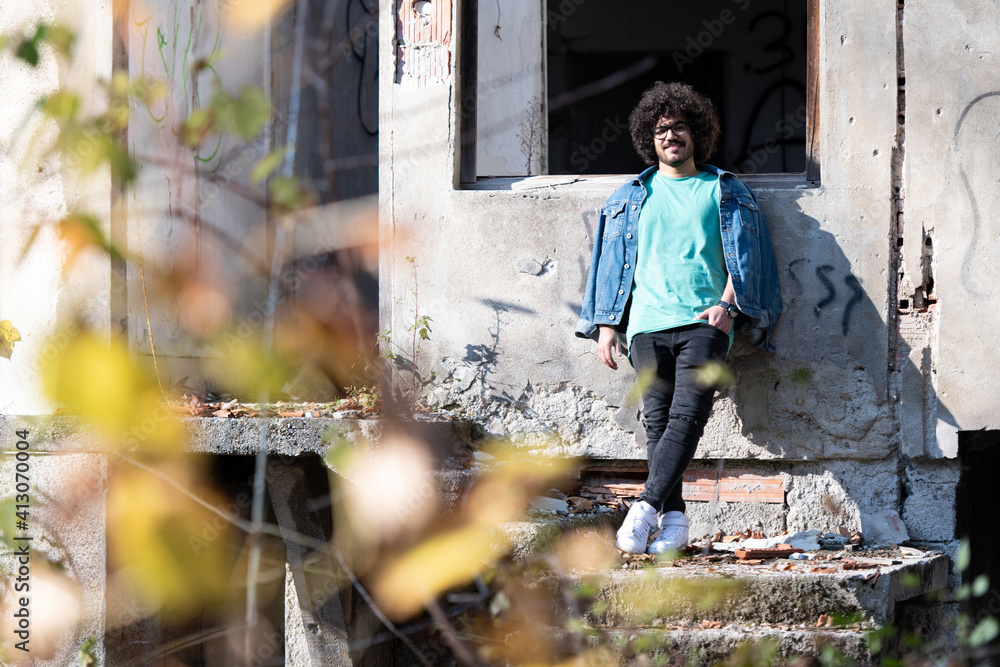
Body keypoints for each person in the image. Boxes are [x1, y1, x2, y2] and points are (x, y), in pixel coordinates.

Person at [575, 82, 782, 554]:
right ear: (650, 139)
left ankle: (643, 507)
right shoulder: (632, 195)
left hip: (705, 322)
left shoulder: (723, 189)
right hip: (646, 325)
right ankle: (675, 523)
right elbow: (612, 263)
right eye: (662, 129)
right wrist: (608, 324)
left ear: (696, 134)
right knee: (659, 423)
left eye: (680, 127)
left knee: (688, 416)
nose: (671, 136)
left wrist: (729, 306)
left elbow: (746, 258)